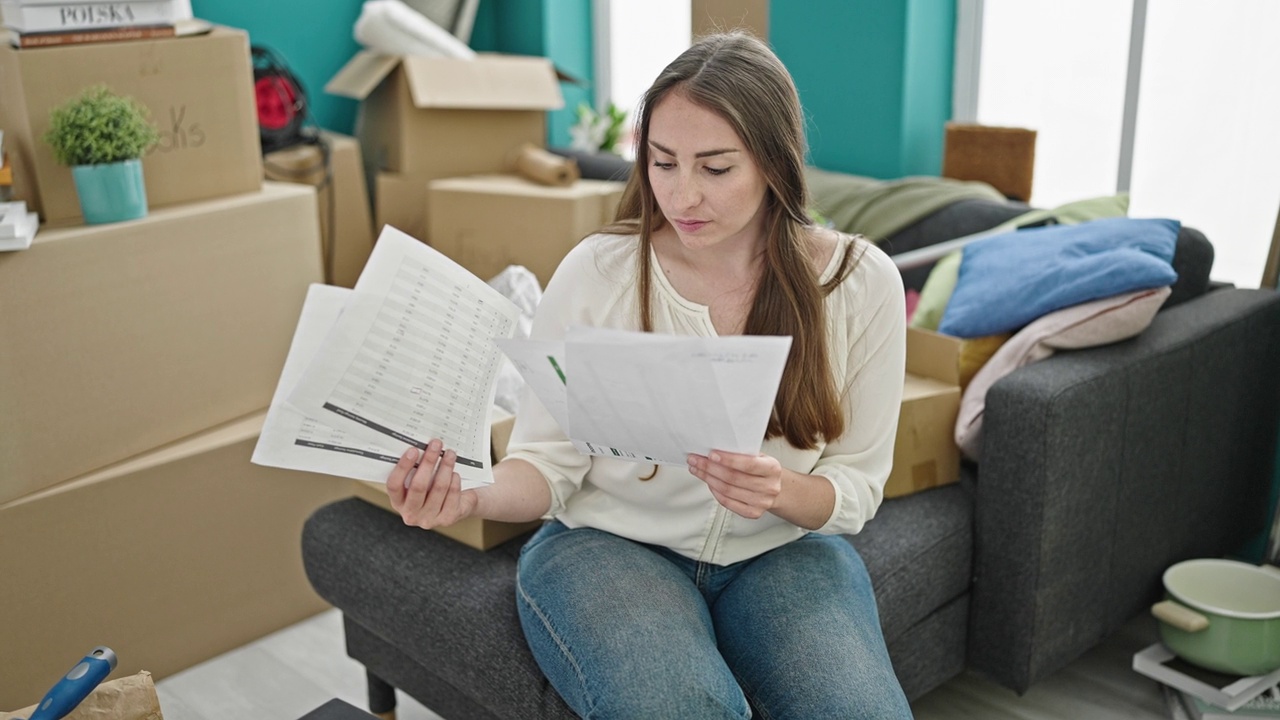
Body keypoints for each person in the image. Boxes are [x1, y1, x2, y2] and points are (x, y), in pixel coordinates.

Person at [385, 31, 911, 719]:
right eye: (663, 163)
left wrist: (778, 490)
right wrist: (470, 494)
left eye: (716, 168)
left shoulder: (858, 284)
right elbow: (547, 465)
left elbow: (856, 486)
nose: (682, 195)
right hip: (606, 547)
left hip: (782, 551)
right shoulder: (599, 271)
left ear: (775, 164)